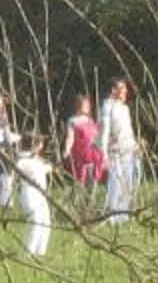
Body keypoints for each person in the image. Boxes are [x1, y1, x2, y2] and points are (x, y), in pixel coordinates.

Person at [99, 78, 143, 221]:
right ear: (113, 90)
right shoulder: (107, 107)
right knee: (115, 183)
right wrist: (103, 154)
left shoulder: (125, 109)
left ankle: (123, 216)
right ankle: (112, 215)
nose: (126, 91)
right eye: (122, 88)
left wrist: (135, 145)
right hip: (115, 151)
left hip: (128, 150)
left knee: (128, 182)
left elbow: (128, 130)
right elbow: (104, 131)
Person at [13, 146, 55, 257]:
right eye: (39, 144)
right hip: (29, 192)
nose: (41, 147)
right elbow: (16, 172)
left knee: (46, 222)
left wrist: (51, 163)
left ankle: (40, 252)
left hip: (41, 194)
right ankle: (27, 253)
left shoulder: (36, 160)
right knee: (35, 221)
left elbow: (47, 168)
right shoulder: (23, 160)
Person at [61, 94, 106, 192]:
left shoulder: (90, 120)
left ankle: (89, 199)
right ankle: (78, 198)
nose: (88, 107)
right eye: (85, 105)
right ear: (78, 106)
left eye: (88, 105)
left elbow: (95, 135)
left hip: (92, 153)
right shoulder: (73, 121)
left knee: (92, 178)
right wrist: (67, 149)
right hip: (80, 154)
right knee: (80, 178)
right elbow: (70, 137)